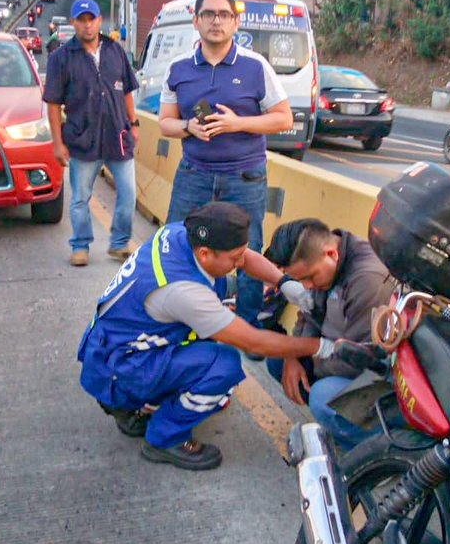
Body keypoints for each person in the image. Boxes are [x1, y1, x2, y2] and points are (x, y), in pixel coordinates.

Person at [78, 201, 339, 471]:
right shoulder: (184, 291)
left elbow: (245, 257)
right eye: (234, 257)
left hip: (110, 349)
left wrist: (284, 283)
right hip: (121, 369)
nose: (241, 261)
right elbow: (252, 341)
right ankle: (164, 438)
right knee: (224, 367)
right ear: (205, 254)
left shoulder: (180, 234)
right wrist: (318, 346)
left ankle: (130, 405)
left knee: (219, 288)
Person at [158, 0, 293, 324]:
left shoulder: (255, 66)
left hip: (245, 176)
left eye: (223, 15)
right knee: (177, 241)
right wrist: (189, 127)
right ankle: (183, 317)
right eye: (208, 14)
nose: (215, 21)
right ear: (196, 21)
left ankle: (247, 324)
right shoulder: (178, 68)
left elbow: (284, 118)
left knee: (245, 249)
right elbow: (165, 124)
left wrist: (237, 124)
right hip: (194, 174)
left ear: (235, 22)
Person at [263, 218, 393, 451]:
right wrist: (293, 356)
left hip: (373, 373)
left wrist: (309, 361)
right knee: (279, 360)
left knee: (322, 397)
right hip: (331, 356)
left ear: (331, 254)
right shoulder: (322, 266)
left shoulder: (368, 280)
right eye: (300, 279)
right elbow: (309, 312)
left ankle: (379, 450)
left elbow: (358, 362)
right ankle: (343, 429)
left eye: (310, 277)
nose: (307, 285)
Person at [43, 0, 138, 267]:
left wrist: (135, 124)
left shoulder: (115, 51)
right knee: (81, 197)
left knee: (128, 192)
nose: (87, 26)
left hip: (118, 137)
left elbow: (127, 89)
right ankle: (81, 245)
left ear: (99, 20)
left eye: (92, 19)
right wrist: (57, 143)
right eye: (81, 20)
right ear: (73, 23)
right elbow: (53, 104)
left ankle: (119, 243)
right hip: (82, 139)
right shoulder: (61, 58)